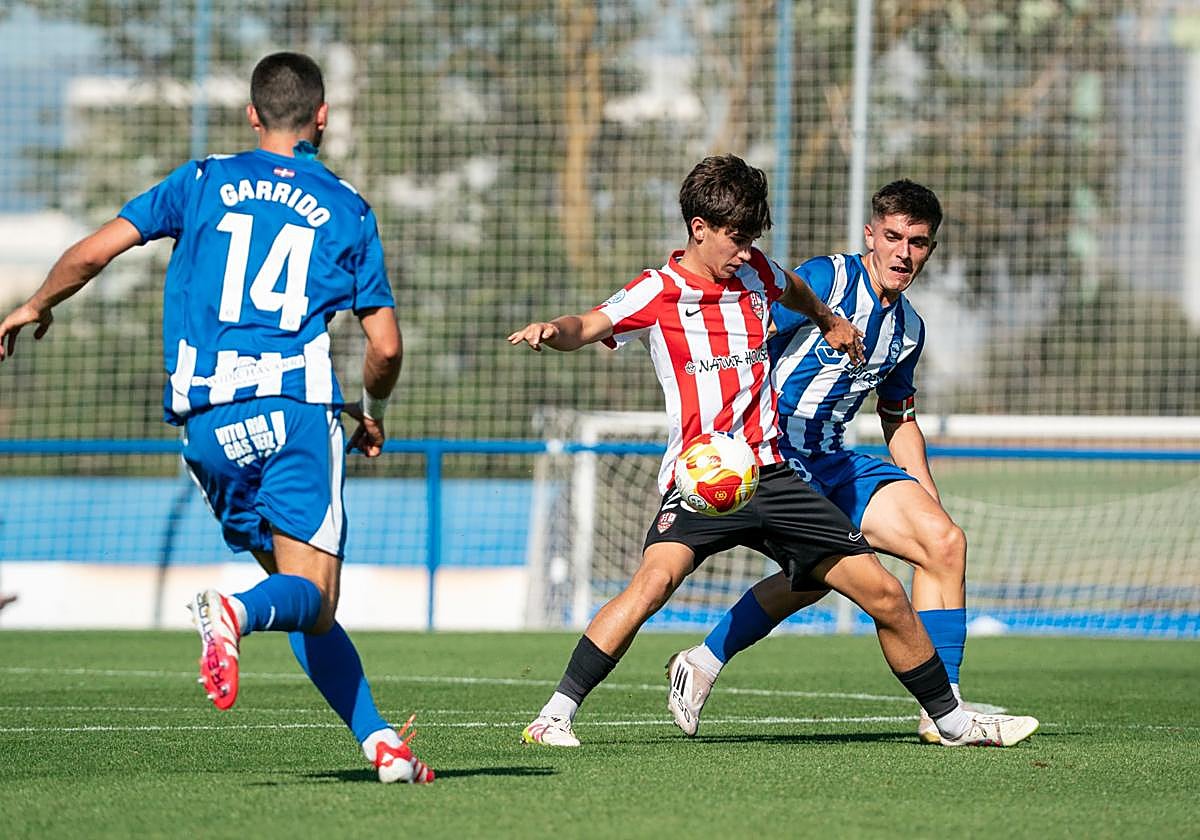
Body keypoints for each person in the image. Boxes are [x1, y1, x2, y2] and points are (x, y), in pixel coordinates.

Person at [0, 52, 432, 783]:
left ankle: (380, 742)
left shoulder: (201, 181)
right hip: (293, 411)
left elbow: (93, 252)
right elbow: (384, 346)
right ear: (321, 118)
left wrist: (37, 303)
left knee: (299, 601)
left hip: (205, 425)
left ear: (252, 114)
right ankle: (229, 613)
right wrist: (372, 409)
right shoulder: (348, 207)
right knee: (311, 595)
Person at [509, 155, 1037, 749]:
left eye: (751, 239)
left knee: (884, 592)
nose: (743, 251)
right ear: (698, 227)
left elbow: (794, 288)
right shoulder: (656, 290)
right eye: (735, 238)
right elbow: (589, 322)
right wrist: (554, 332)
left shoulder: (759, 270)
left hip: (775, 474)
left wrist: (829, 320)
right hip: (705, 478)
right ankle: (554, 714)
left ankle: (953, 721)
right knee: (653, 584)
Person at [665, 179, 996, 744]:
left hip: (834, 461)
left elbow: (899, 417)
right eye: (892, 237)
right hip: (771, 455)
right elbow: (746, 336)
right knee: (819, 578)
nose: (903, 252)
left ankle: (945, 710)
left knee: (944, 543)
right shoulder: (828, 279)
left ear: (930, 249)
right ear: (871, 234)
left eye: (917, 242)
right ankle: (703, 659)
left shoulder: (909, 329)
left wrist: (926, 500)